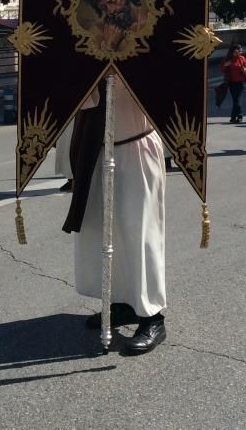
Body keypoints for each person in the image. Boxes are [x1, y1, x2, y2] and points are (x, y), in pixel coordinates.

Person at [65, 77, 167, 354]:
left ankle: (152, 316)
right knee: (103, 231)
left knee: (139, 232)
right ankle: (121, 304)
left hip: (136, 147)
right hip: (96, 150)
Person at [220, 43, 246, 123]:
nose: (241, 52)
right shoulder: (228, 59)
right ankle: (235, 116)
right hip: (230, 82)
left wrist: (245, 69)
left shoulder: (242, 58)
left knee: (236, 99)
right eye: (239, 50)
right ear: (234, 51)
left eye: (240, 50)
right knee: (235, 100)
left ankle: (237, 115)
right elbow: (222, 70)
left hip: (240, 82)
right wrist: (226, 65)